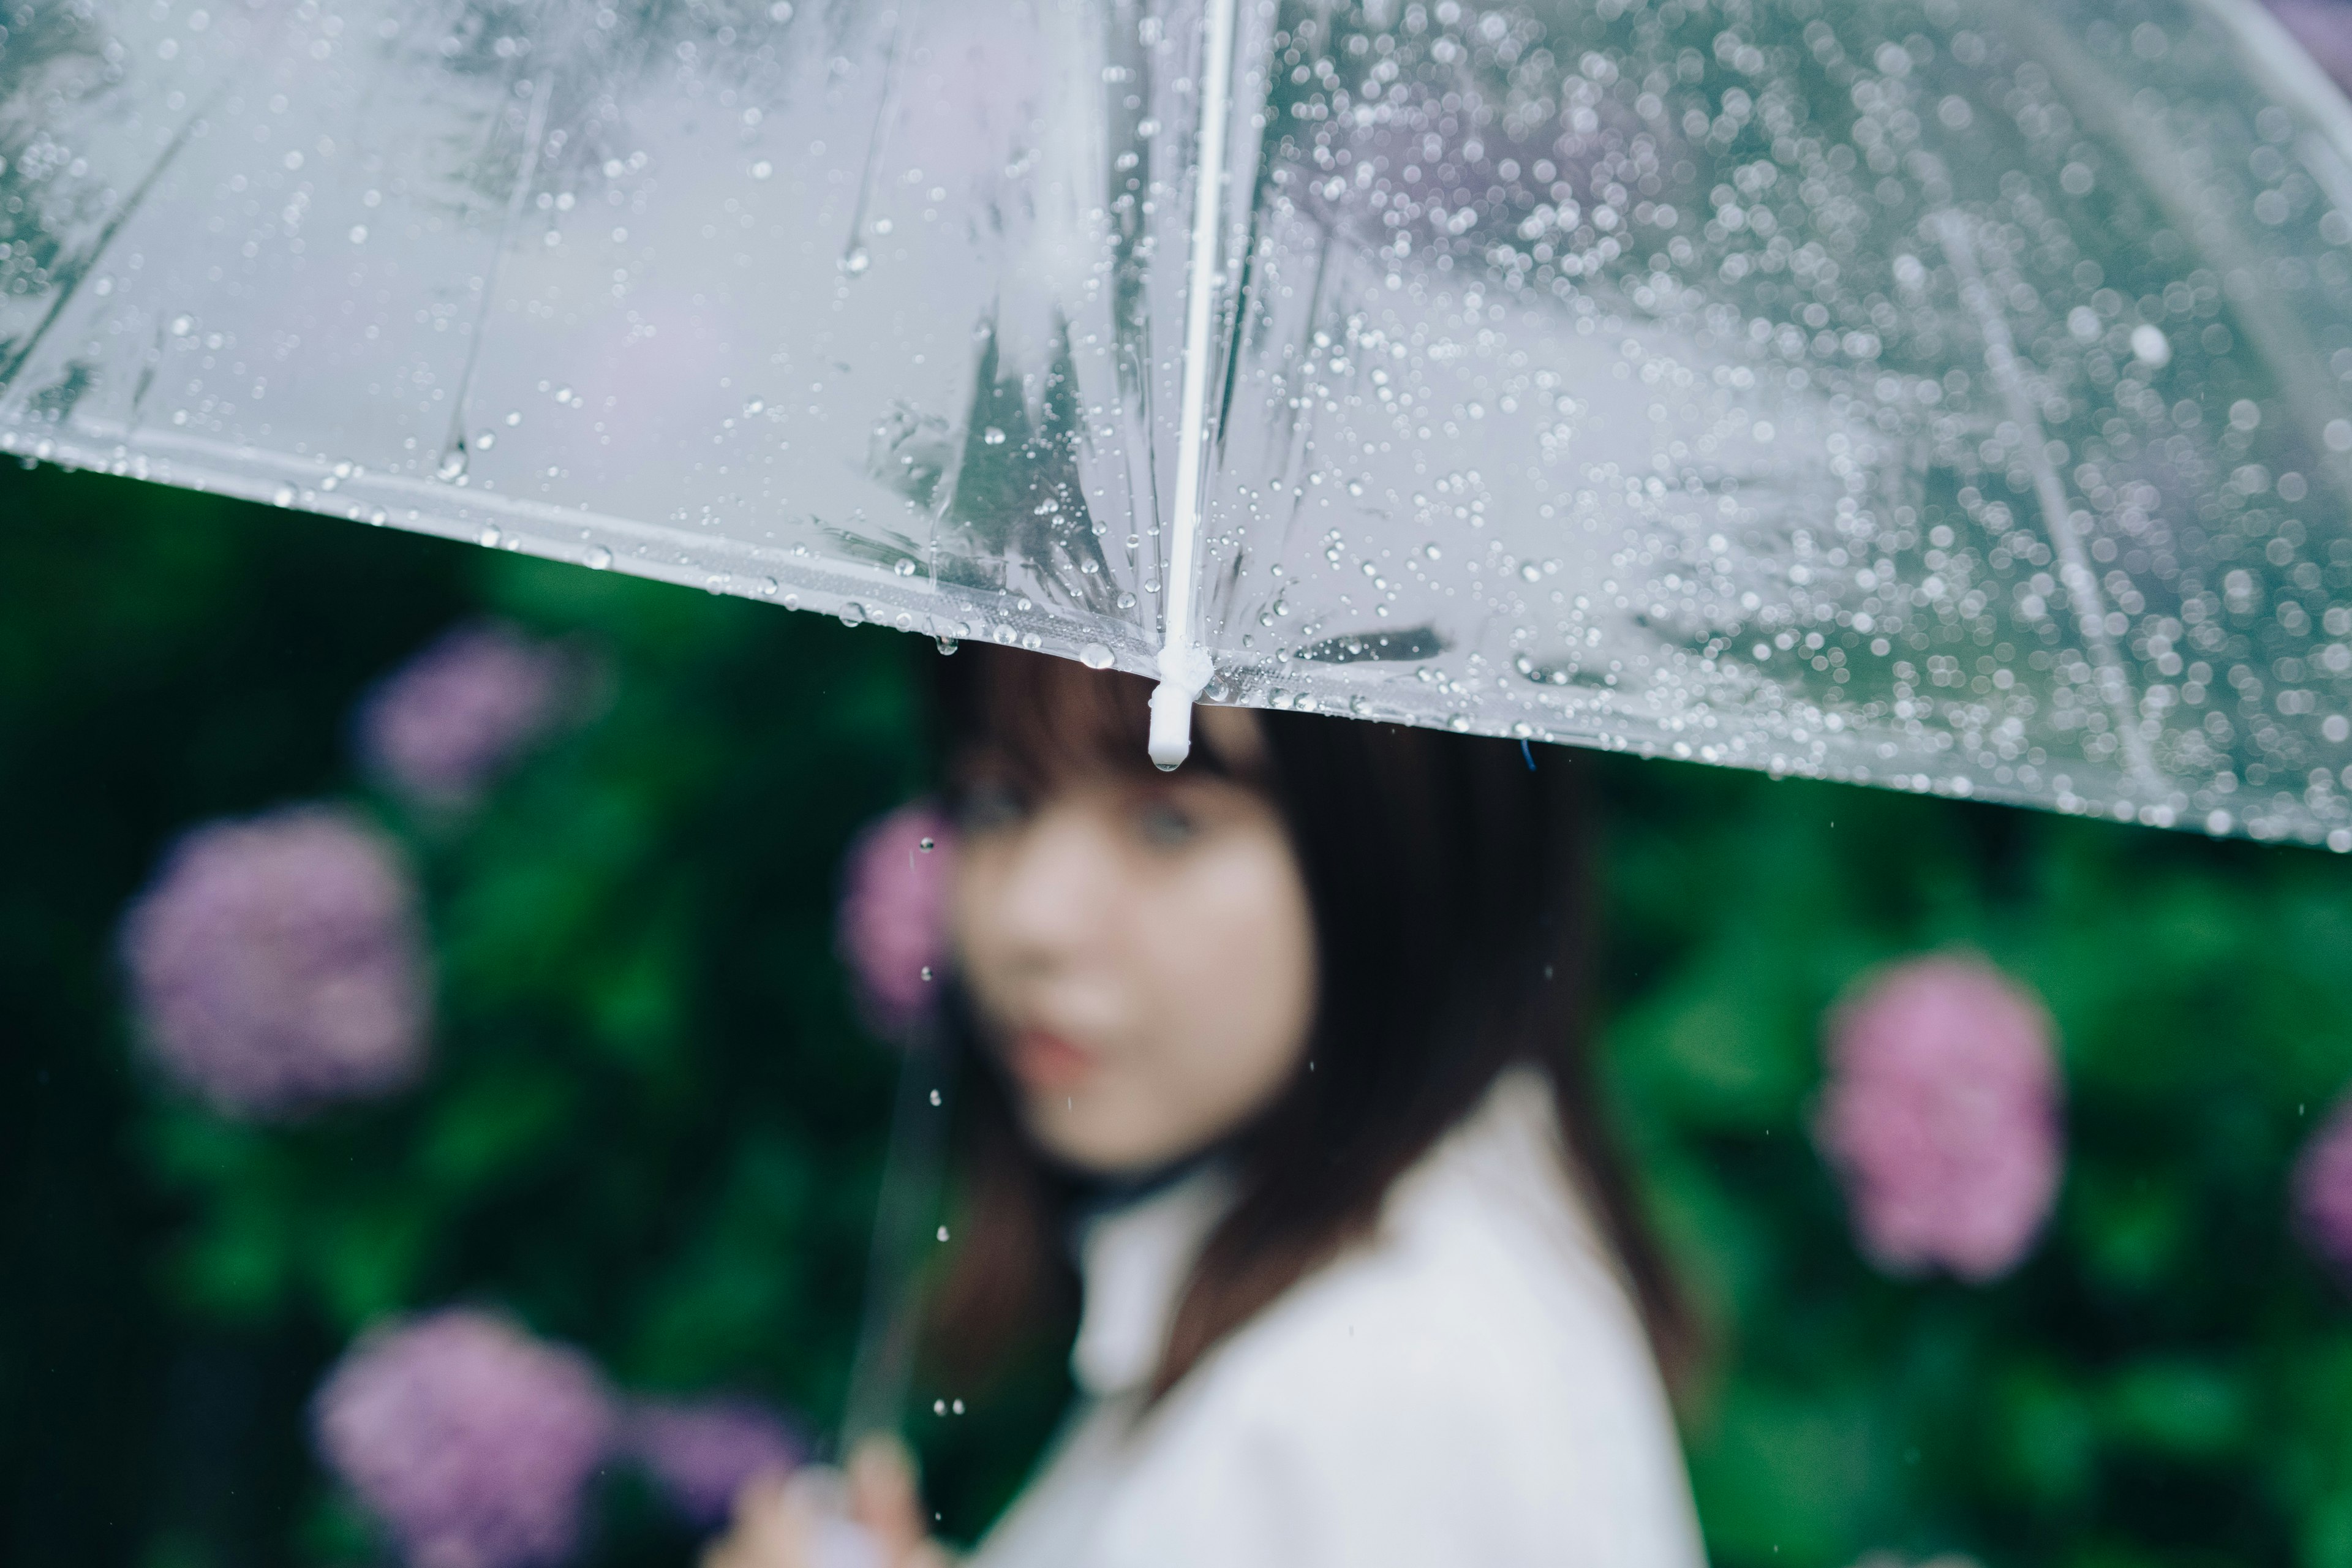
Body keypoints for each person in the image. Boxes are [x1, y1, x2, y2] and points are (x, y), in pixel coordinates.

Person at [709, 646, 1706, 1567]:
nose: (1029, 917)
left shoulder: (1396, 1390)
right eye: (999, 799)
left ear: (1409, 855)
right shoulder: (1328, 1302)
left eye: (1168, 821)